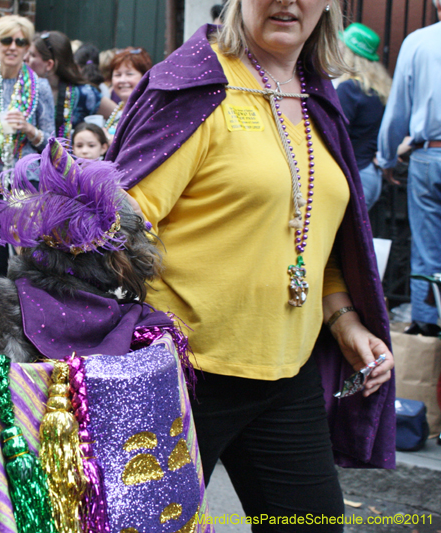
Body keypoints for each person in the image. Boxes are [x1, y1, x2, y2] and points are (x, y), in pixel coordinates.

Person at [107, 0, 396, 528]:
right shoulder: (196, 84)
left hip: (288, 372)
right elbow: (120, 224)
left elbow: (319, 237)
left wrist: (344, 319)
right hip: (182, 374)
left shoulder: (316, 93)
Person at [378, 0, 441, 338]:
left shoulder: (417, 42)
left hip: (429, 154)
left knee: (427, 248)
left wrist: (387, 158)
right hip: (428, 153)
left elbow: (397, 110)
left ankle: (427, 327)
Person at [0, 15, 55, 279]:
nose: (13, 47)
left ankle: (29, 303)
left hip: (27, 180)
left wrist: (30, 129)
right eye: (6, 40)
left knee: (30, 258)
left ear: (27, 48)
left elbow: (52, 144)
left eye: (20, 42)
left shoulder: (40, 87)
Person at [336, 23, 391, 210]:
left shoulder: (349, 89)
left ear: (349, 52)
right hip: (371, 174)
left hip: (353, 176)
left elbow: (337, 135)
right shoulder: (379, 91)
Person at [25, 31, 116, 140]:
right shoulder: (25, 90)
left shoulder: (84, 93)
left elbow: (119, 116)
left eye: (32, 55)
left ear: (49, 64)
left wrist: (106, 137)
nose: (25, 58)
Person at [104, 47, 152, 139]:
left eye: (129, 74)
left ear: (144, 77)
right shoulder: (119, 108)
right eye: (118, 75)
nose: (122, 80)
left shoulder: (146, 111)